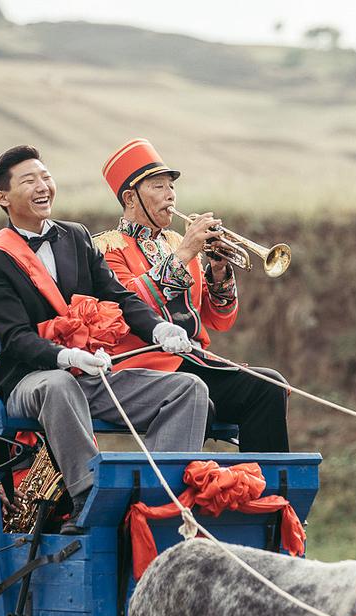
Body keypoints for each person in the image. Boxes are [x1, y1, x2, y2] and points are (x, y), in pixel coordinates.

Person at [0, 144, 210, 533]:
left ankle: (157, 501)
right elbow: (15, 337)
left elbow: (117, 296)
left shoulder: (76, 236)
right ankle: (91, 499)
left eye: (46, 177)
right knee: (59, 385)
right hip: (32, 379)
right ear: (3, 197)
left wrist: (157, 328)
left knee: (188, 389)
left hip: (91, 375)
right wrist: (65, 357)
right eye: (29, 181)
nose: (43, 187)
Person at [96, 138, 289, 452]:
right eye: (158, 187)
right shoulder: (106, 247)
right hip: (145, 370)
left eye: (171, 186)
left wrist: (218, 270)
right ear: (131, 198)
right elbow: (128, 304)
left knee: (270, 385)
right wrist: (185, 253)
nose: (170, 195)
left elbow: (220, 320)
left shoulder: (177, 242)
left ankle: (266, 492)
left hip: (194, 361)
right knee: (239, 390)